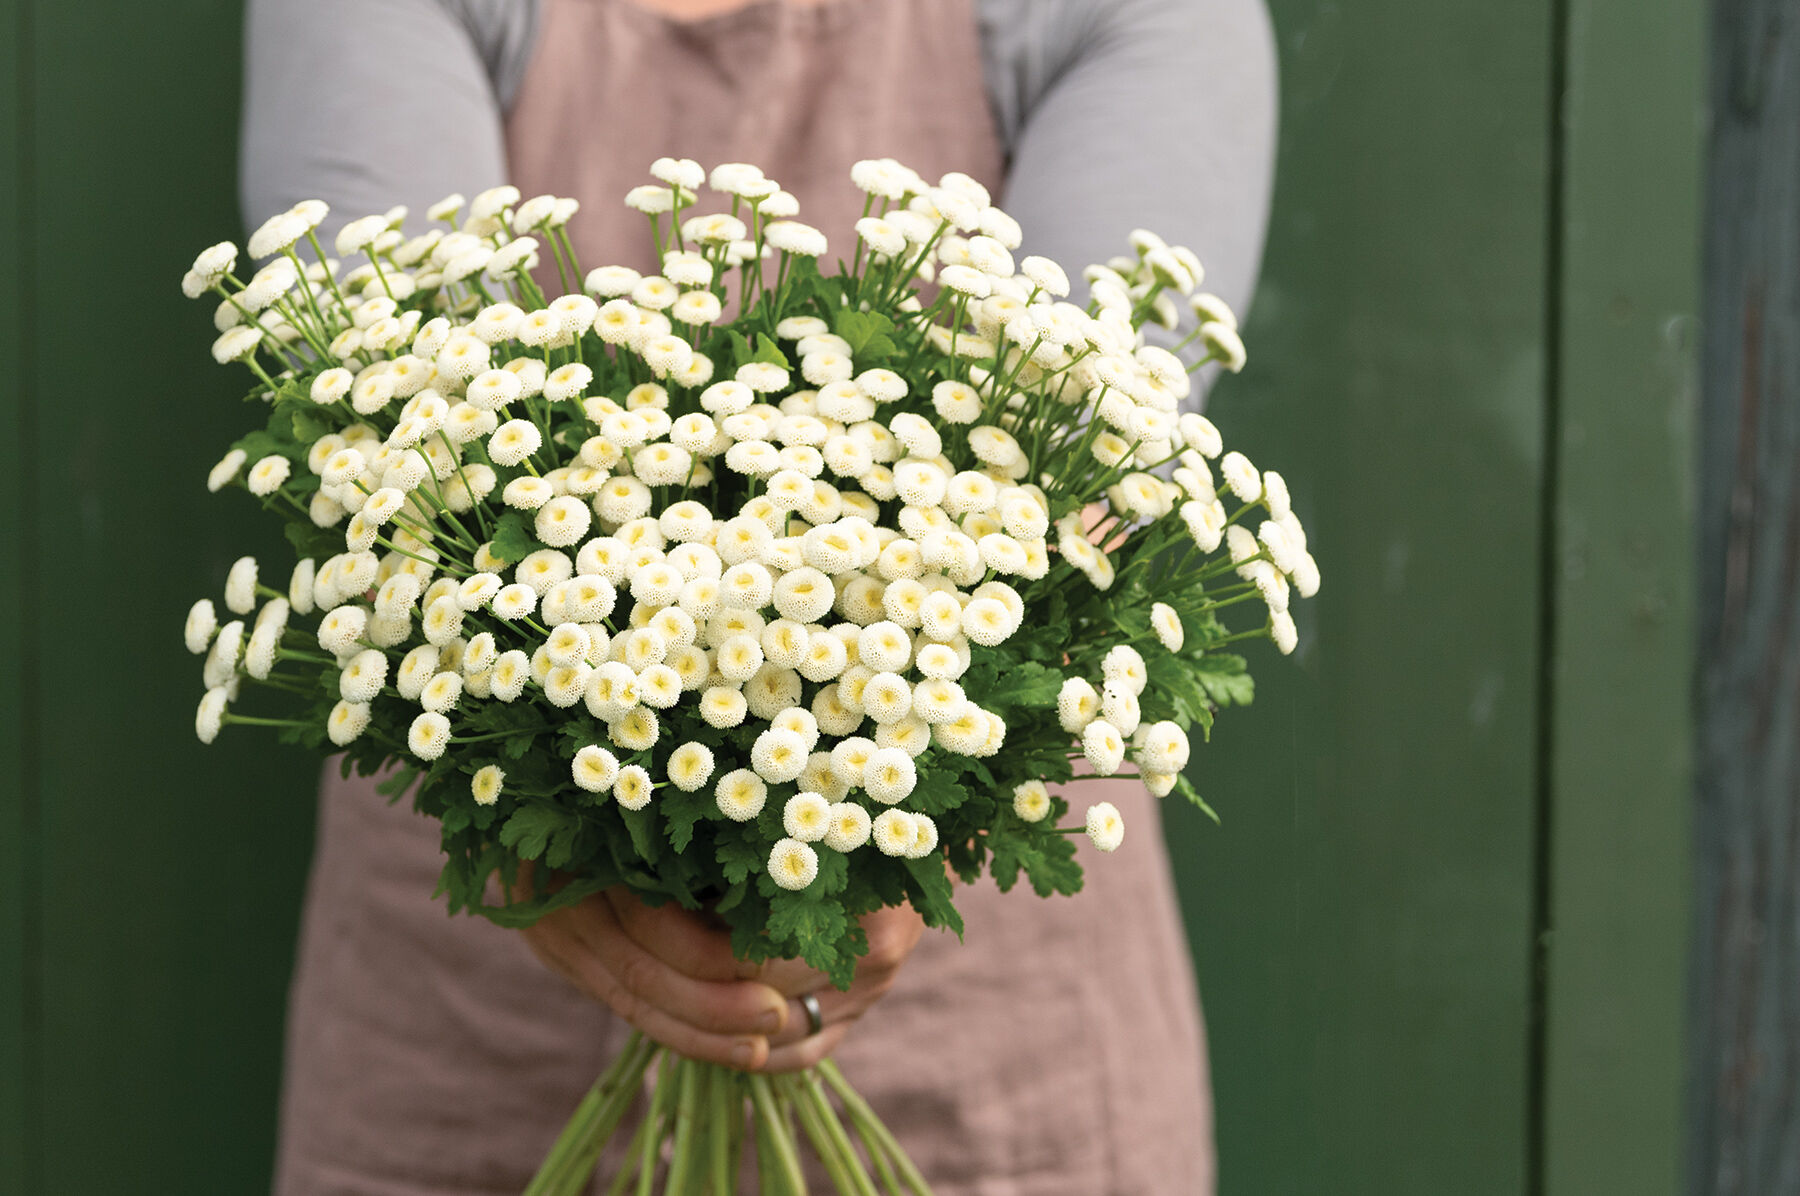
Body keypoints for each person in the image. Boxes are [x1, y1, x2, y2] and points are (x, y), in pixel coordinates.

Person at [242, 1, 1277, 1191]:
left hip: (990, 1040)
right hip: (475, 980)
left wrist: (903, 841)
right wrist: (556, 864)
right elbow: (395, 424)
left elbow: (1092, 459)